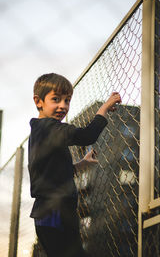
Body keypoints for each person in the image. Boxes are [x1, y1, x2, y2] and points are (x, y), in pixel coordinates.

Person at [28, 73, 121, 257]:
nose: (63, 106)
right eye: (56, 99)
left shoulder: (41, 133)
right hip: (56, 211)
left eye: (67, 100)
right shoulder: (51, 128)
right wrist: (104, 108)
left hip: (46, 212)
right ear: (39, 102)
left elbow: (57, 172)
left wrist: (82, 164)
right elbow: (88, 135)